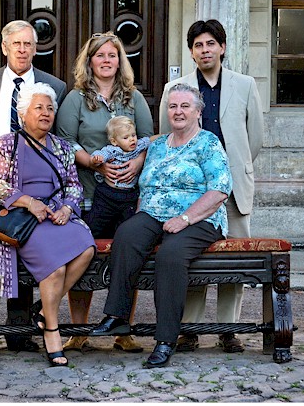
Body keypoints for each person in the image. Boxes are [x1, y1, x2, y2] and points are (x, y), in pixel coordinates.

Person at [89, 83, 232, 368]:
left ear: (198, 112)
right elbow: (145, 188)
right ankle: (117, 316)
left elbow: (219, 190)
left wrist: (185, 218)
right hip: (154, 214)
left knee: (170, 254)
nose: (178, 111)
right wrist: (140, 216)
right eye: (173, 106)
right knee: (127, 234)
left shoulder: (208, 143)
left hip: (199, 218)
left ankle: (166, 339)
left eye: (185, 106)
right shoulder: (156, 145)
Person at [160, 19, 264, 353]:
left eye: (210, 44)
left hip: (232, 186)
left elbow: (255, 138)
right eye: (198, 45)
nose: (205, 50)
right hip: (190, 189)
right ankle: (189, 328)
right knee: (190, 255)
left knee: (234, 256)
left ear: (222, 47)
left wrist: (233, 168)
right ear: (191, 52)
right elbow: (167, 137)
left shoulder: (244, 85)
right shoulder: (175, 89)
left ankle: (228, 329)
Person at [0, 20, 67, 355]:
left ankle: (20, 332)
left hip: (33, 189)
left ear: (36, 48)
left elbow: (55, 138)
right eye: (17, 44)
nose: (23, 50)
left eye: (28, 44)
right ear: (4, 47)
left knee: (25, 255)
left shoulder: (55, 87)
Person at [0, 82, 95, 367]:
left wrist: (67, 208)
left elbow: (74, 185)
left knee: (87, 247)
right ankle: (52, 331)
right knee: (55, 267)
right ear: (23, 114)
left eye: (50, 108)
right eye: (39, 108)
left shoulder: (62, 147)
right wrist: (28, 202)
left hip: (57, 215)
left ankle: (44, 311)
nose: (46, 113)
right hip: (25, 219)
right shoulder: (5, 144)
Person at [56, 31, 154, 353]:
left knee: (128, 256)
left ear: (120, 60)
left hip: (127, 194)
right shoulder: (75, 98)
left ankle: (122, 330)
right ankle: (79, 331)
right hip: (88, 190)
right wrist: (94, 165)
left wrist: (137, 163)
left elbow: (149, 138)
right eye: (100, 55)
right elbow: (66, 141)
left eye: (112, 55)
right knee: (81, 255)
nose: (107, 60)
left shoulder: (133, 98)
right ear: (90, 61)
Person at [86, 116, 152, 237]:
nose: (132, 139)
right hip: (107, 194)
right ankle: (89, 242)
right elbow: (99, 154)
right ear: (114, 141)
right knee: (96, 222)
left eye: (133, 135)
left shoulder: (138, 146)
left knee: (126, 226)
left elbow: (151, 139)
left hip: (129, 196)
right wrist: (96, 159)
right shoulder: (112, 150)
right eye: (126, 137)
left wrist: (169, 134)